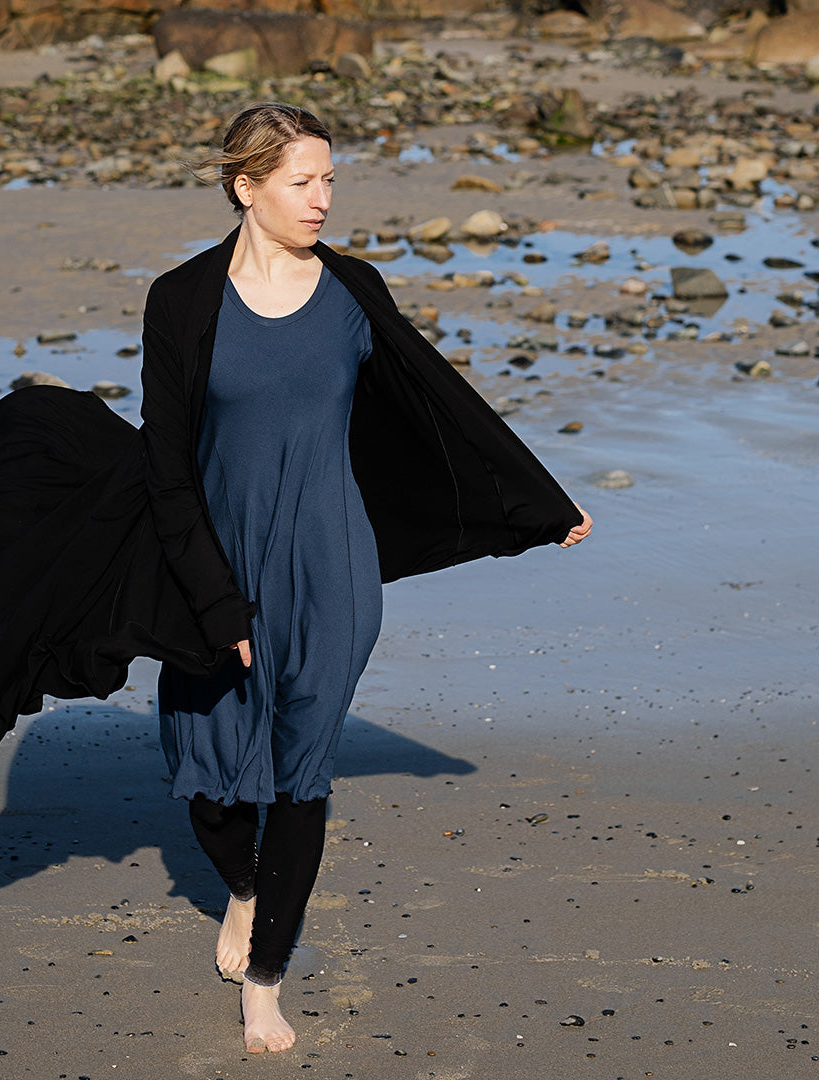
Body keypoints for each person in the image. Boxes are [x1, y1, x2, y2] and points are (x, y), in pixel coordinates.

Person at [137, 102, 592, 1053]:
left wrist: (537, 502)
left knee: (301, 775)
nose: (322, 200)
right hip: (217, 564)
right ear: (245, 188)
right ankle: (247, 885)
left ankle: (266, 981)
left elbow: (438, 401)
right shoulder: (182, 302)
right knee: (212, 783)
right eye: (302, 182)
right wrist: (215, 600)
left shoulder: (352, 292)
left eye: (329, 180)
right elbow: (168, 469)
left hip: (330, 563)